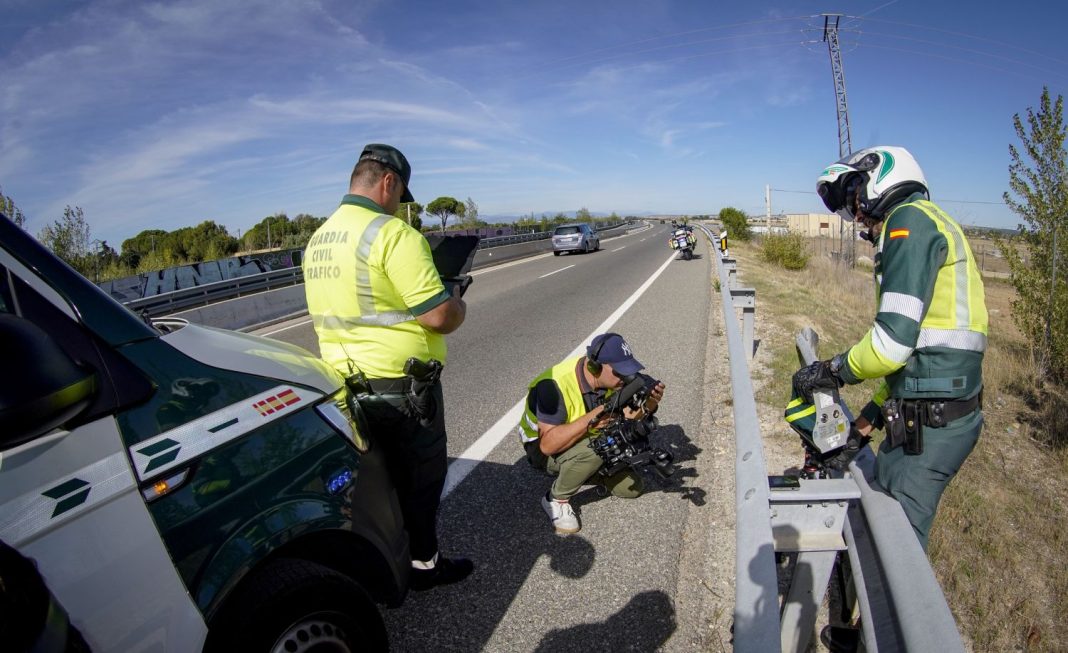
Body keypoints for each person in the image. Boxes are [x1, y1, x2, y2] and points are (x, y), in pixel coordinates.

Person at [793, 145, 988, 551]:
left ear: (881, 178)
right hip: (934, 410)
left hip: (930, 427)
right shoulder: (928, 218)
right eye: (848, 210)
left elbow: (890, 347)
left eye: (854, 199)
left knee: (895, 550)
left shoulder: (907, 223)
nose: (856, 215)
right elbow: (915, 366)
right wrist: (865, 425)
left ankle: (883, 615)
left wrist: (832, 370)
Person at [304, 143, 472, 590]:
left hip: (344, 381)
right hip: (401, 388)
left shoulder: (318, 240)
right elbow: (436, 316)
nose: (400, 204)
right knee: (423, 477)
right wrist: (456, 303)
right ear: (387, 182)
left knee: (377, 476)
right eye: (400, 194)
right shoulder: (394, 235)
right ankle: (424, 564)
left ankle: (383, 551)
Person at [518, 333, 665, 534]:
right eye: (619, 372)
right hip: (544, 449)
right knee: (600, 447)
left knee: (631, 487)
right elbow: (548, 445)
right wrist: (595, 417)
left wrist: (649, 404)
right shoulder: (553, 385)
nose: (624, 378)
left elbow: (629, 417)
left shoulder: (611, 382)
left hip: (583, 436)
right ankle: (556, 499)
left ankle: (585, 469)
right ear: (595, 367)